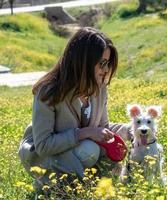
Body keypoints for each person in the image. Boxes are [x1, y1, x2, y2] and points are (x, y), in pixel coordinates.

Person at [18, 27, 131, 190]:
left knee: (97, 148)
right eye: (102, 63)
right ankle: (50, 183)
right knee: (90, 149)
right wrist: (84, 133)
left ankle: (77, 184)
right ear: (82, 62)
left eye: (109, 63)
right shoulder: (48, 92)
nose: (106, 70)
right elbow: (43, 145)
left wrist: (129, 130)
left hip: (74, 149)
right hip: (45, 154)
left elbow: (102, 129)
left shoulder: (99, 88)